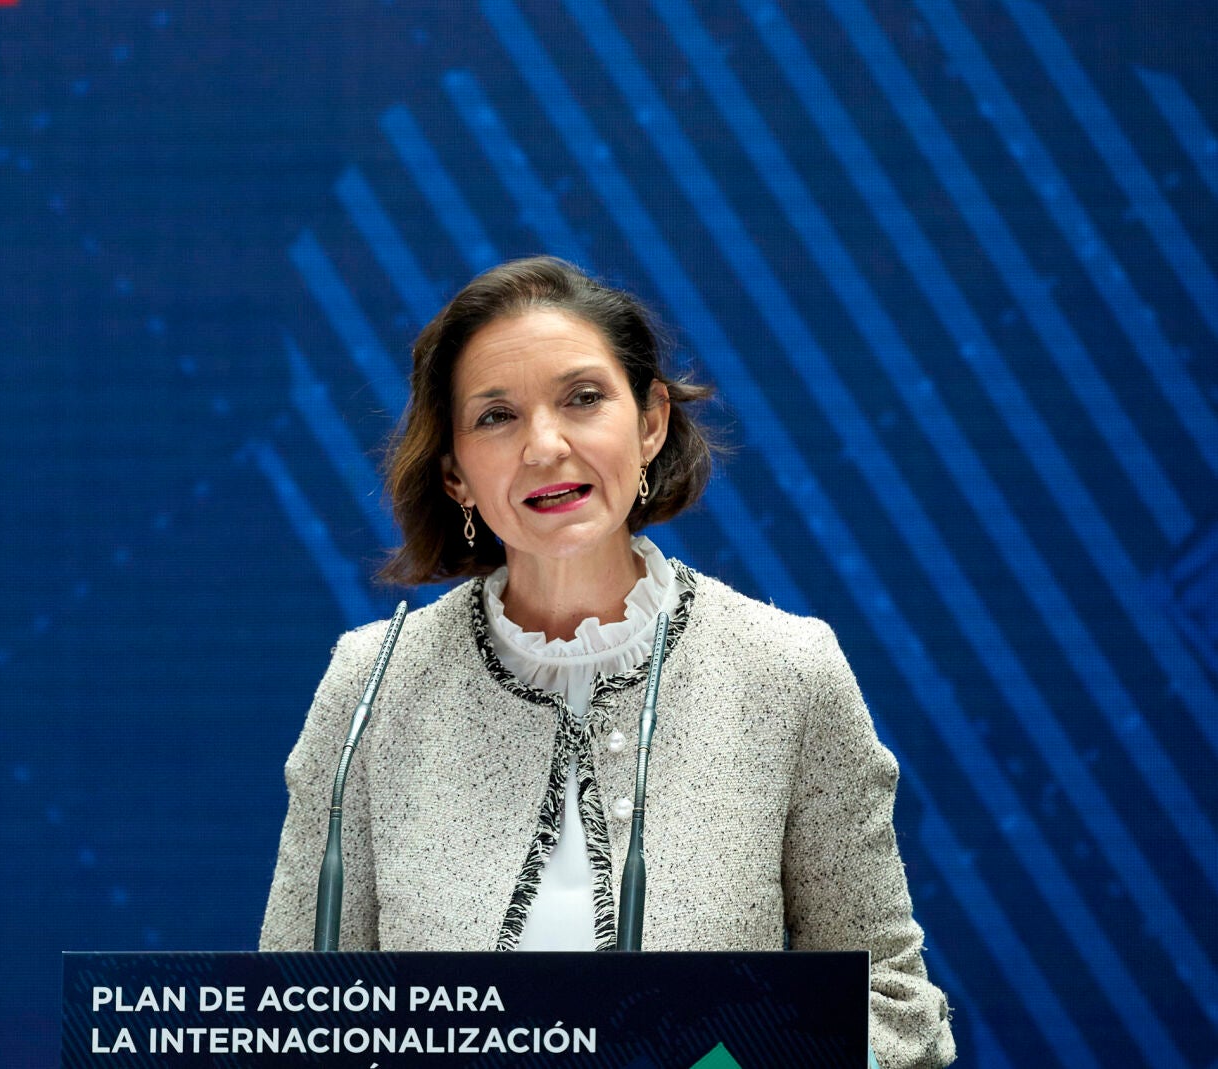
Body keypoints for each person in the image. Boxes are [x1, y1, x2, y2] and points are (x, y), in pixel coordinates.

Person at [259, 257, 956, 1068]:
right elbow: (288, 1019)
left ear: (651, 422)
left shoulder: (786, 670)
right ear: (454, 472)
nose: (544, 446)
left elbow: (892, 1005)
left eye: (583, 398)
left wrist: (735, 1064)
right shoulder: (370, 686)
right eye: (496, 416)